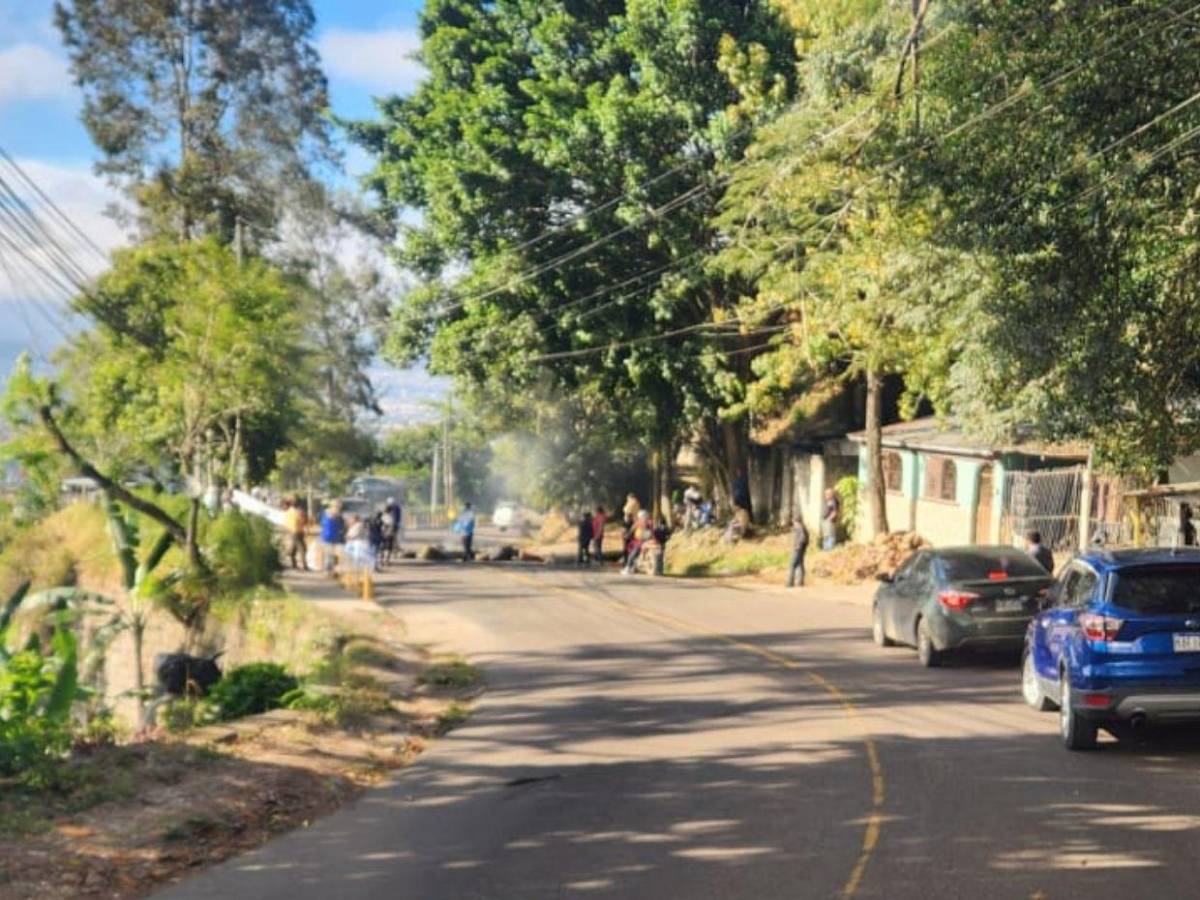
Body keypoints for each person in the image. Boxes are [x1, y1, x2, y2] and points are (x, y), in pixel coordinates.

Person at [319, 501, 346, 574]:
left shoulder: (326, 514)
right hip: (331, 537)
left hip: (330, 537)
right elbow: (342, 527)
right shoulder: (336, 515)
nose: (339, 508)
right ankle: (330, 570)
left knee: (331, 555)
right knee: (331, 555)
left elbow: (322, 524)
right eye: (338, 506)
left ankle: (331, 570)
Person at [623, 510, 653, 575]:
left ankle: (628, 567)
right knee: (634, 553)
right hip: (647, 541)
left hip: (640, 542)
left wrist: (627, 535)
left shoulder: (638, 523)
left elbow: (631, 530)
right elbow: (652, 532)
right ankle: (633, 567)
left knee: (632, 554)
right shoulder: (650, 523)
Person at [283, 498, 308, 571]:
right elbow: (302, 521)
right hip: (297, 531)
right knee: (302, 548)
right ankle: (304, 565)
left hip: (292, 531)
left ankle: (293, 563)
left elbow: (286, 522)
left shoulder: (288, 512)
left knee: (294, 548)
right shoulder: (297, 512)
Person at [787, 514, 809, 588]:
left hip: (797, 549)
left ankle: (790, 582)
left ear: (795, 520)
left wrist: (798, 546)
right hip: (801, 549)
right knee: (799, 565)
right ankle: (799, 582)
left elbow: (802, 538)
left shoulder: (798, 527)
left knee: (792, 565)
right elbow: (806, 540)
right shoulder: (803, 527)